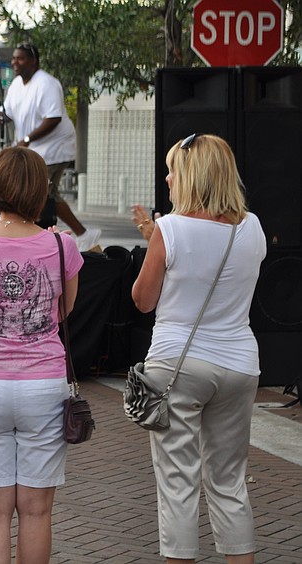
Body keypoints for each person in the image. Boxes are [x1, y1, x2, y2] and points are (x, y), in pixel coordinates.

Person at [132, 133, 266, 564]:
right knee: (229, 483)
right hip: (240, 363)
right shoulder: (253, 226)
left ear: (191, 175)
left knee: (178, 486)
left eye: (173, 169)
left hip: (178, 364)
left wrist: (156, 239)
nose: (167, 177)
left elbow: (143, 300)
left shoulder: (169, 229)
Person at [0, 146, 83, 564]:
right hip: (43, 387)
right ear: (40, 191)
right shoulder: (60, 246)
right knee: (36, 512)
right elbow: (63, 312)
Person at [0, 43, 101, 253]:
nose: (15, 62)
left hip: (54, 146)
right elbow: (7, 113)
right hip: (33, 149)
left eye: (20, 58)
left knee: (43, 191)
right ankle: (82, 234)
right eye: (14, 58)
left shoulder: (47, 83)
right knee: (45, 192)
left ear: (33, 61)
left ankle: (76, 235)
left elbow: (53, 118)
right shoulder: (17, 84)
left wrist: (26, 138)